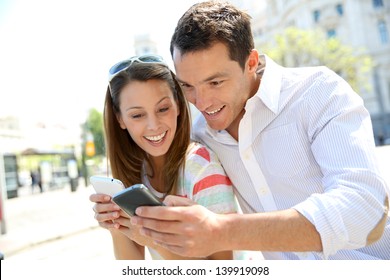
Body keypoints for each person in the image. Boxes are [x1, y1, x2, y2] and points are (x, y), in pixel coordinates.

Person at [131, 1, 390, 260]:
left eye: (215, 82)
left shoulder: (318, 93)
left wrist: (221, 231)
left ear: (251, 62)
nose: (201, 101)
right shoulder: (200, 136)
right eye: (188, 86)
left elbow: (367, 211)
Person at [89, 54, 243, 260]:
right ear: (120, 119)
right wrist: (116, 226)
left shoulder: (202, 168)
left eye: (162, 109)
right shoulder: (135, 172)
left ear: (178, 106)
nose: (154, 125)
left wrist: (153, 240)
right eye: (137, 115)